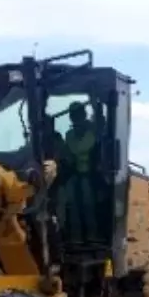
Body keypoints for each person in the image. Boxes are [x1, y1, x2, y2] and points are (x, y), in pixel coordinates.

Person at [57, 101, 100, 243]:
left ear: (84, 114)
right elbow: (69, 154)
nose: (76, 117)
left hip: (93, 175)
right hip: (75, 175)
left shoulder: (93, 131)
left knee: (88, 204)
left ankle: (92, 235)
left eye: (79, 113)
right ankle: (76, 236)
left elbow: (80, 148)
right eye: (73, 115)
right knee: (72, 205)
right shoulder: (70, 135)